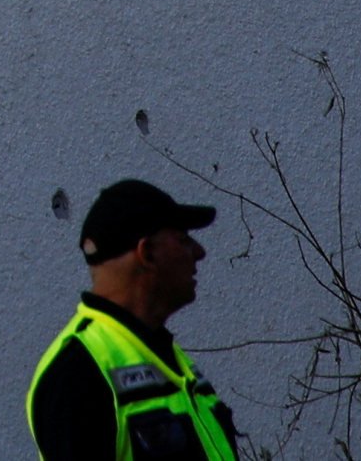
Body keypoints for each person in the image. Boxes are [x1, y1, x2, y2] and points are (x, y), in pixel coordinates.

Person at [26, 179, 240, 460]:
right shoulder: (77, 369)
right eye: (183, 239)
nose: (200, 252)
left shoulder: (165, 356)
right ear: (147, 253)